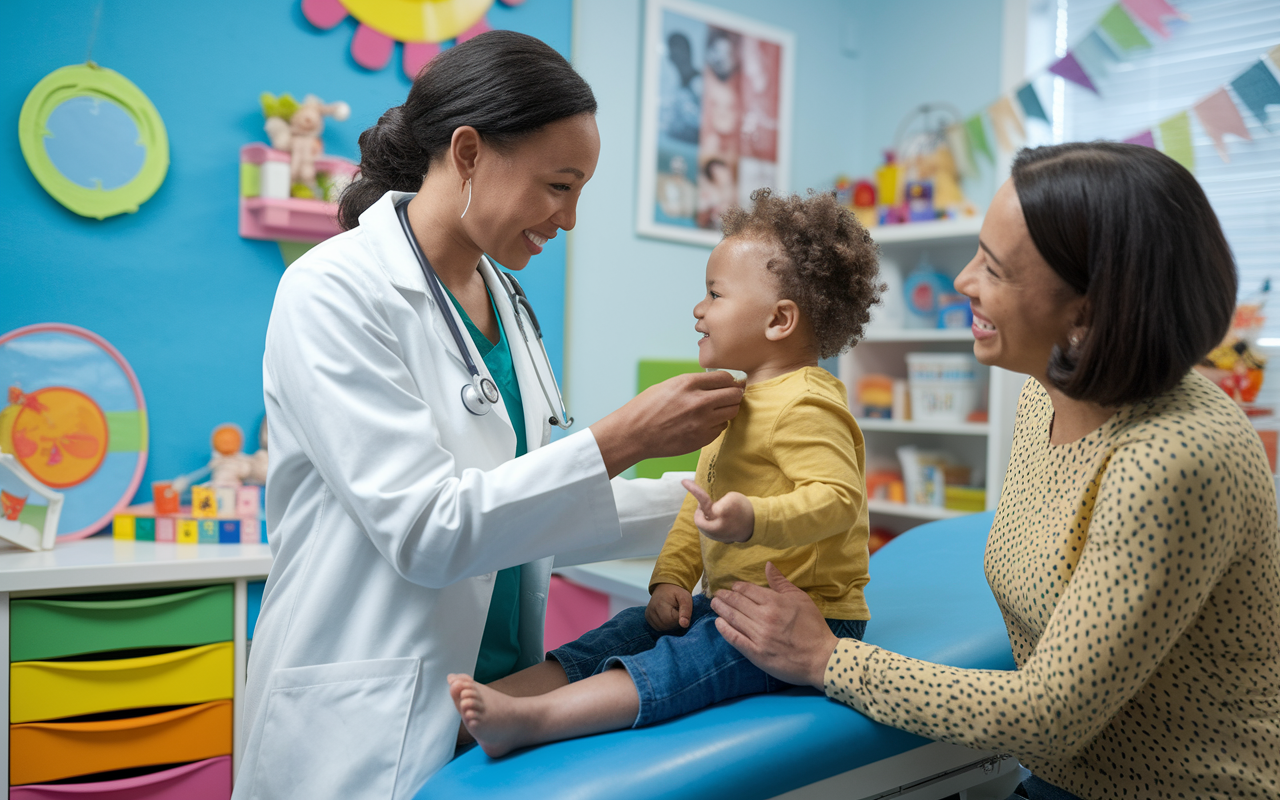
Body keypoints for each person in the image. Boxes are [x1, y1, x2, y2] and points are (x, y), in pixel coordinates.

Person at [234, 31, 744, 800]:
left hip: (501, 698)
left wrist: (725, 510)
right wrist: (622, 438)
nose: (568, 220)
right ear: (468, 152)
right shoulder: (334, 291)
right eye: (557, 186)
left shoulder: (507, 300)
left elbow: (533, 505)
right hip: (369, 720)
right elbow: (429, 532)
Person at [712, 142, 1280, 800]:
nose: (963, 282)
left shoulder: (1172, 459)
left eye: (996, 269)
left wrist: (827, 658)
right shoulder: (1048, 389)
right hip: (1068, 777)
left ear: (1085, 314)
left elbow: (1048, 719)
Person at [445, 189, 882, 757]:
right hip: (731, 601)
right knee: (624, 631)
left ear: (779, 320)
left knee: (685, 662)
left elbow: (839, 501)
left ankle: (533, 719)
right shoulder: (737, 400)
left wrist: (754, 517)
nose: (698, 309)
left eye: (715, 294)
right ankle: (476, 713)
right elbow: (696, 509)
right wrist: (671, 580)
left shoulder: (807, 404)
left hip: (810, 617)